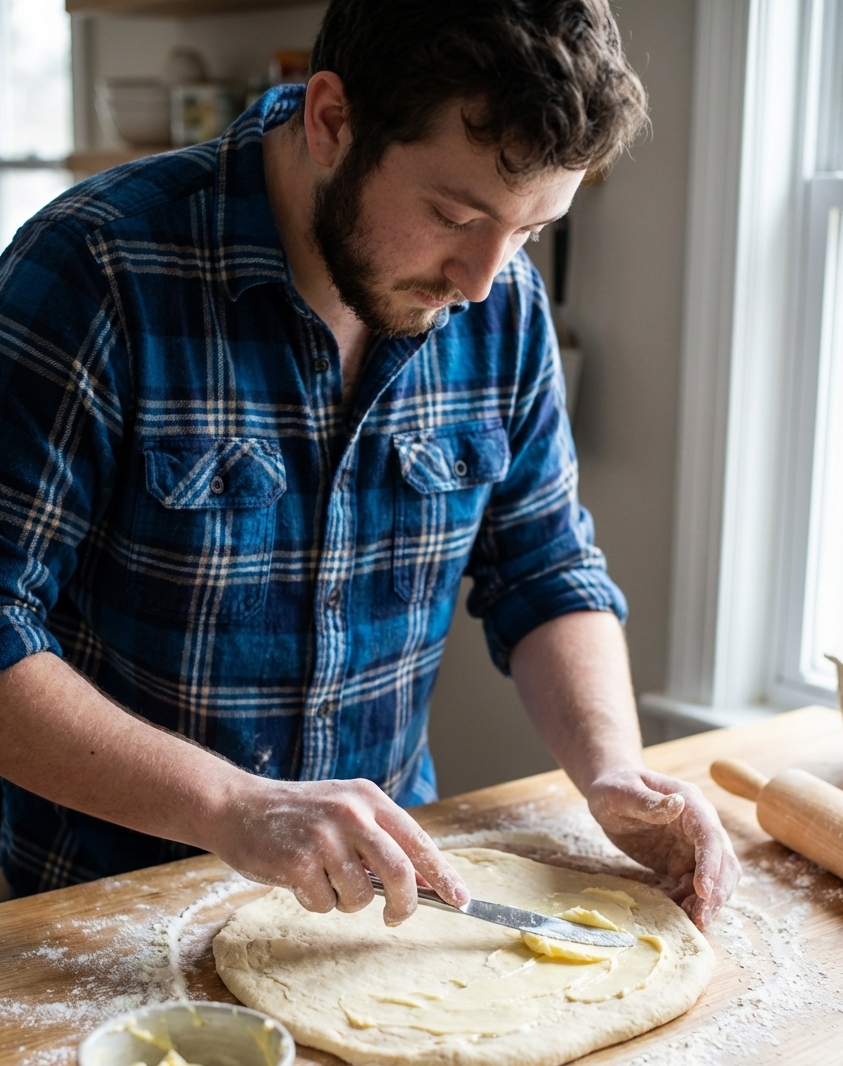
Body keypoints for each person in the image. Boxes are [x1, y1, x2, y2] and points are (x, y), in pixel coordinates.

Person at [0, 0, 740, 926]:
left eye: (528, 231)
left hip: (383, 901)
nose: (480, 278)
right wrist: (230, 806)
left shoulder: (501, 306)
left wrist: (613, 770)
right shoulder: (94, 270)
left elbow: (544, 571)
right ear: (331, 122)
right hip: (104, 910)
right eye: (454, 213)